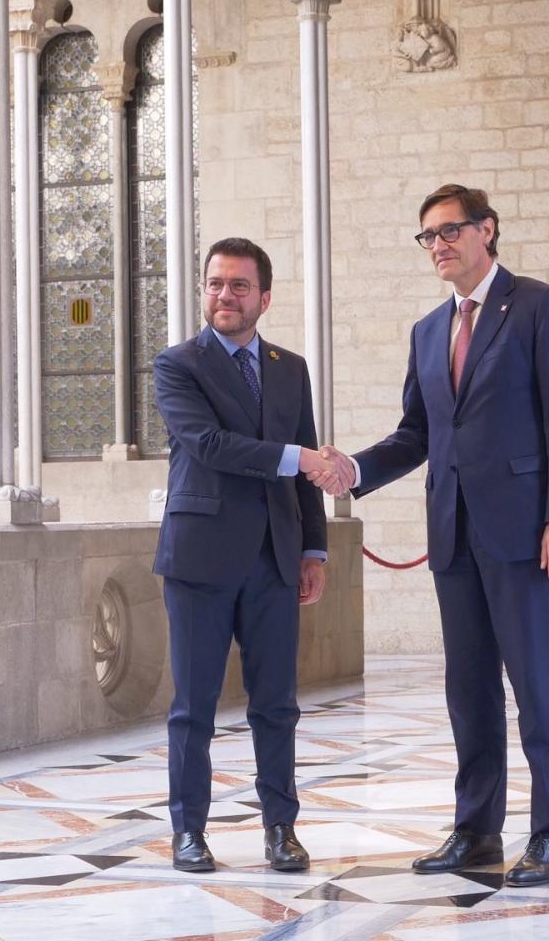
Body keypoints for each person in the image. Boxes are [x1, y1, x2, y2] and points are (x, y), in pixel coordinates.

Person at [311, 183, 549, 887]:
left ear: (487, 230)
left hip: (525, 534)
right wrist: (357, 470)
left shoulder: (537, 306)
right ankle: (476, 831)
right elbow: (418, 435)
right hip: (454, 536)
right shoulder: (429, 332)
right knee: (468, 690)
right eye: (427, 237)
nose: (438, 245)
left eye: (449, 231)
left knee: (536, 686)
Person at [152, 236, 338, 874]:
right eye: (213, 284)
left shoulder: (291, 367)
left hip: (275, 561)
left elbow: (306, 458)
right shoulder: (178, 364)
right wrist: (301, 460)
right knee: (193, 707)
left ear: (264, 296)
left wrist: (314, 547)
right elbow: (209, 444)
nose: (223, 296)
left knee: (277, 704)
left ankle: (281, 830)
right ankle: (189, 832)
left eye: (237, 285)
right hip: (200, 559)